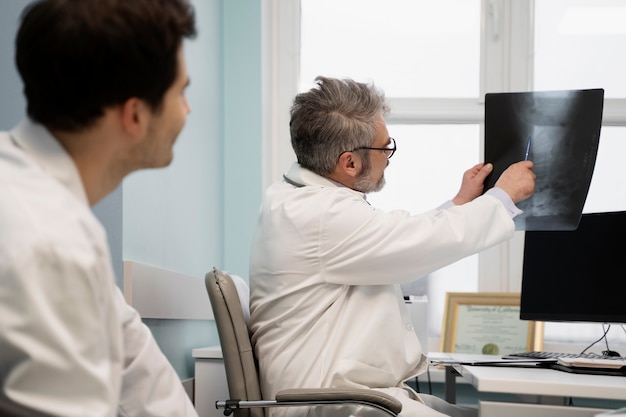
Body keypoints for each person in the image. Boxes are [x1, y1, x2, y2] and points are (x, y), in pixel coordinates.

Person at [248, 76, 536, 417]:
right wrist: (503, 198)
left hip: (343, 393)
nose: (388, 156)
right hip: (330, 404)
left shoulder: (300, 200)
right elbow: (417, 242)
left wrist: (459, 202)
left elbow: (395, 238)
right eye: (385, 147)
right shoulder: (323, 215)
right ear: (349, 162)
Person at [0, 1, 199, 416]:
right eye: (181, 92)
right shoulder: (50, 244)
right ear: (135, 115)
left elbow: (140, 372)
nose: (187, 110)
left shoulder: (37, 202)